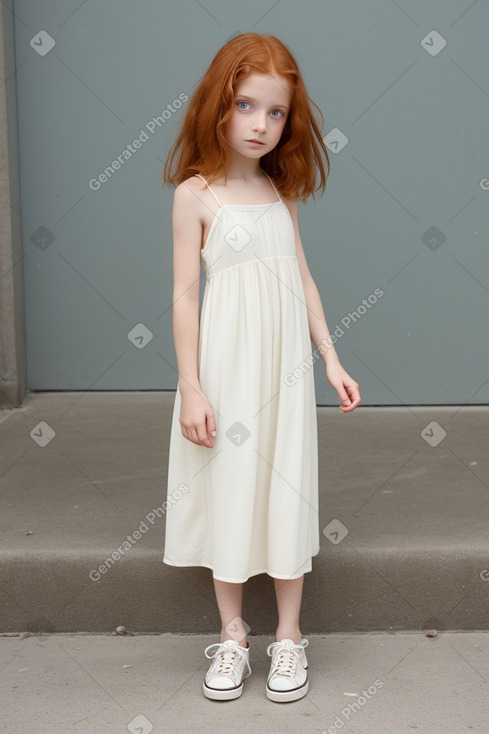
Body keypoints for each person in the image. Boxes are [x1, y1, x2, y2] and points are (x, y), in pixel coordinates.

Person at [161, 31, 361, 703]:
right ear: (219, 105)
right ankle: (231, 634)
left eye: (275, 113)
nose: (261, 125)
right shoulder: (195, 195)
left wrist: (329, 357)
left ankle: (288, 637)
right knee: (228, 487)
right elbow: (185, 298)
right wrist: (191, 387)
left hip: (282, 372)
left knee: (285, 488)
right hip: (224, 368)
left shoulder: (282, 191)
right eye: (247, 106)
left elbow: (301, 278)